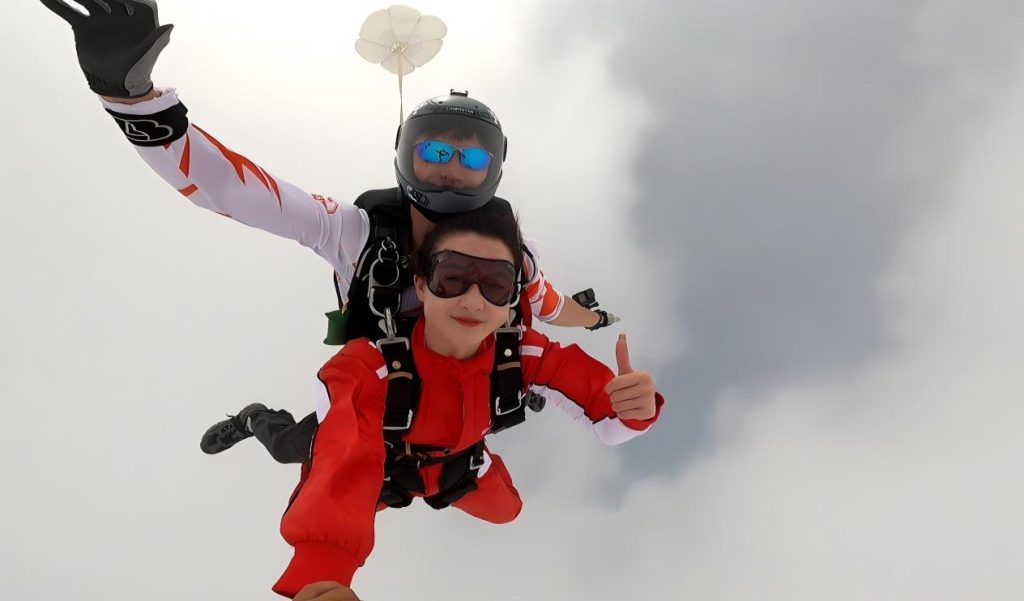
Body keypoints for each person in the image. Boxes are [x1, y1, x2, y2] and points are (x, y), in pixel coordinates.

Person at [40, 0, 623, 460]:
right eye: (434, 150)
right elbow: (235, 191)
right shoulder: (355, 231)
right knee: (297, 451)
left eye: (471, 158)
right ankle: (255, 419)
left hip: (463, 388)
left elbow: (548, 303)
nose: (450, 168)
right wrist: (131, 98)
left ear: (494, 170)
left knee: (472, 450)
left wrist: (595, 320)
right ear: (405, 155)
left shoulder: (513, 256)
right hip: (378, 385)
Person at [273, 200, 664, 599]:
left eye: (495, 284)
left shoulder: (520, 354)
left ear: (509, 299)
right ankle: (260, 421)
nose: (474, 301)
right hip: (383, 471)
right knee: (295, 449)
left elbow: (599, 403)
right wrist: (324, 575)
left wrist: (630, 409)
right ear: (421, 285)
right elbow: (347, 461)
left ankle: (487, 433)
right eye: (453, 276)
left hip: (460, 468)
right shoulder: (370, 365)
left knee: (508, 510)